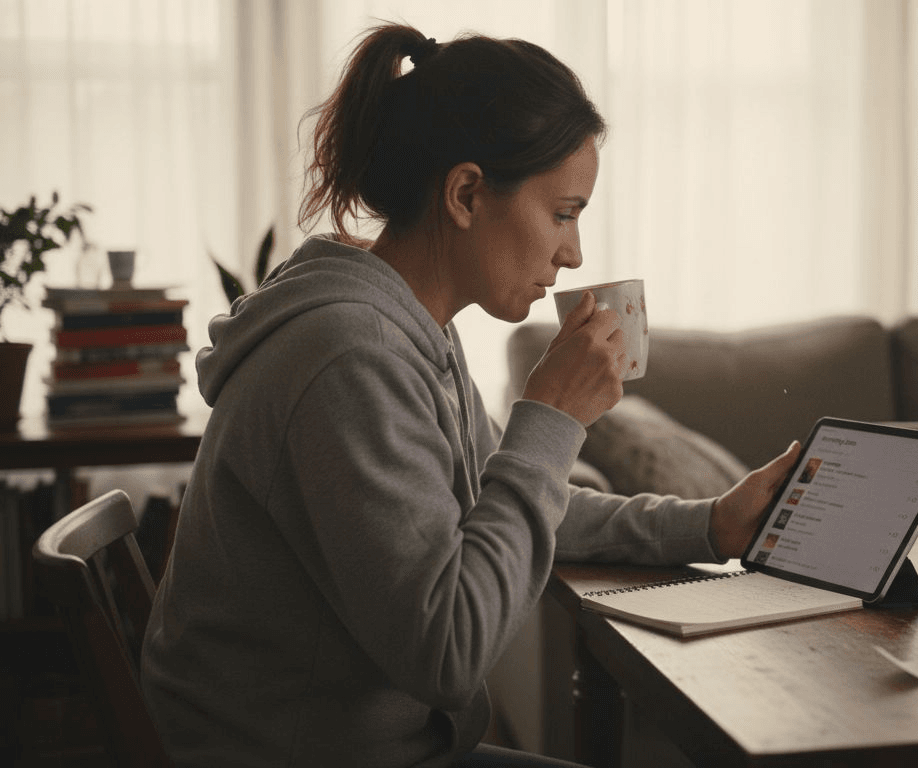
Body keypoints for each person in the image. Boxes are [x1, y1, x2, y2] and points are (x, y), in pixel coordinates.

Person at [140, 22, 799, 768]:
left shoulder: (414, 327)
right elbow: (449, 651)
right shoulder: (352, 358)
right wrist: (550, 419)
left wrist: (710, 525)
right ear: (465, 194)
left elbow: (505, 497)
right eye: (563, 212)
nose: (574, 252)